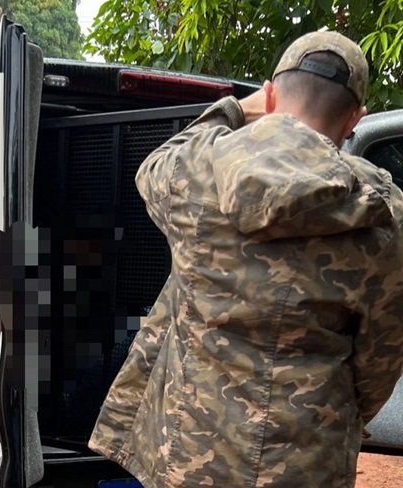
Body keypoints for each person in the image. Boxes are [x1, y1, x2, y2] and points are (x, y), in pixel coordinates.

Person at [89, 31, 403, 488]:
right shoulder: (384, 213)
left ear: (270, 96)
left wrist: (235, 108)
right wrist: (335, 417)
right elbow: (380, 362)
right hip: (306, 465)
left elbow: (155, 164)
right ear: (356, 118)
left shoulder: (199, 170)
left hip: (191, 460)